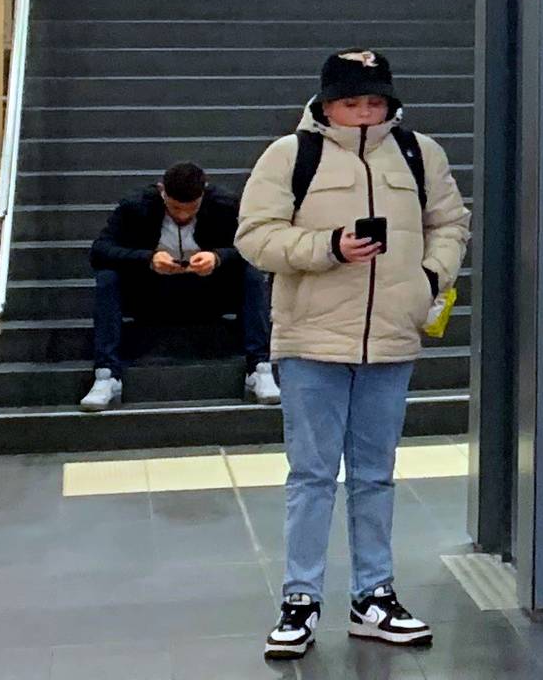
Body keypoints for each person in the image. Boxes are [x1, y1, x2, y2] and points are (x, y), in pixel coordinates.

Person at [237, 50, 472, 661]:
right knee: (312, 476)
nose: (365, 112)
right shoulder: (290, 155)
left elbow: (451, 222)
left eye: (375, 101)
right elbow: (254, 237)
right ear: (326, 102)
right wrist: (329, 247)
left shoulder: (421, 153)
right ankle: (299, 601)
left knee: (375, 475)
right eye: (352, 101)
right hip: (312, 340)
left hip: (392, 340)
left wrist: (430, 277)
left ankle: (374, 596)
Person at [80, 162, 276, 412]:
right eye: (174, 208)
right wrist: (148, 259)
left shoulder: (224, 205)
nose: (183, 216)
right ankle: (107, 375)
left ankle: (259, 368)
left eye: (191, 209)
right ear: (162, 191)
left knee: (252, 275)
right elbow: (99, 251)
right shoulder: (135, 206)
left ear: (203, 194)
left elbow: (255, 248)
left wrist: (218, 258)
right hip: (151, 295)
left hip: (207, 294)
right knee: (108, 279)